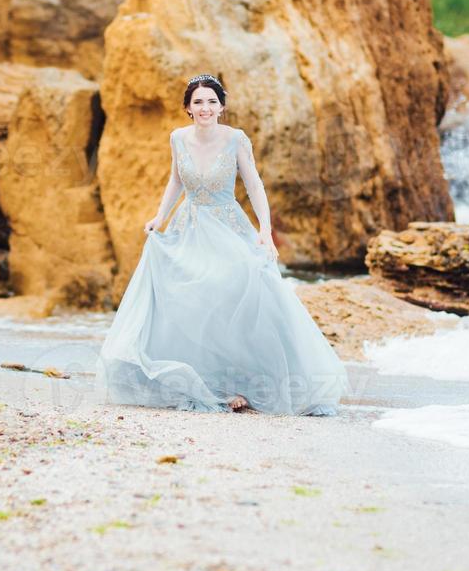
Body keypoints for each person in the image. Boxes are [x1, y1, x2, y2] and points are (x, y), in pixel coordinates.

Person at [94, 74, 348, 415]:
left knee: (238, 286)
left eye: (212, 101)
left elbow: (255, 186)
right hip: (190, 225)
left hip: (227, 225)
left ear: (222, 107)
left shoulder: (236, 140)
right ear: (188, 108)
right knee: (188, 296)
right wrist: (160, 217)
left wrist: (265, 229)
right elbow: (175, 182)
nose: (205, 108)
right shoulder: (178, 138)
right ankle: (207, 383)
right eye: (198, 102)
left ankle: (244, 382)